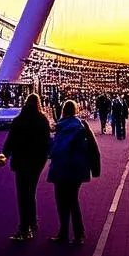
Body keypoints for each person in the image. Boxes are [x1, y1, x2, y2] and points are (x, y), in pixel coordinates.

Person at [0, 93, 52, 242]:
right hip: (37, 161)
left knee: (22, 193)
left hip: (21, 160)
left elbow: (11, 140)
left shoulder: (19, 120)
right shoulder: (42, 120)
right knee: (31, 191)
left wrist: (4, 155)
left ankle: (24, 228)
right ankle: (32, 223)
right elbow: (47, 141)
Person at [47, 100, 101, 246]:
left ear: (63, 110)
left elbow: (52, 148)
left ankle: (63, 232)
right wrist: (95, 169)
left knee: (61, 201)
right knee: (72, 200)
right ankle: (79, 234)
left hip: (60, 167)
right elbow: (92, 148)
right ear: (76, 110)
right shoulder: (82, 126)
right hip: (76, 168)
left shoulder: (59, 127)